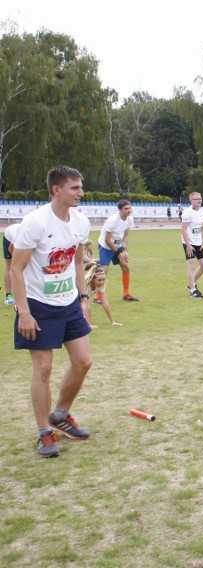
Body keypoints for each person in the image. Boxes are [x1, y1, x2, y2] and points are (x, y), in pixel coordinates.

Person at [9, 166, 93, 458]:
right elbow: (16, 270)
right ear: (56, 190)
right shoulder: (35, 222)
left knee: (83, 362)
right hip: (38, 304)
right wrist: (24, 312)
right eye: (75, 188)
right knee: (43, 369)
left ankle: (61, 415)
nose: (81, 193)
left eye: (80, 187)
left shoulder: (81, 222)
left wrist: (83, 298)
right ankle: (44, 431)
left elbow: (77, 262)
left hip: (69, 301)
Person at [97, 199, 138, 302]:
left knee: (126, 267)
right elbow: (107, 240)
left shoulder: (129, 219)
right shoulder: (113, 220)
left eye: (129, 208)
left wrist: (124, 249)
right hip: (106, 246)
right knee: (103, 272)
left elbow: (125, 236)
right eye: (126, 209)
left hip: (118, 245)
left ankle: (126, 294)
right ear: (120, 210)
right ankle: (97, 297)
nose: (129, 210)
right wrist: (118, 253)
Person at [180, 192, 203, 298]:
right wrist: (188, 245)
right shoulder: (187, 213)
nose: (199, 200)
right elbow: (184, 229)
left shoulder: (202, 211)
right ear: (191, 201)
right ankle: (192, 290)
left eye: (200, 198)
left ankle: (191, 283)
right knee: (191, 264)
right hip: (189, 242)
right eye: (196, 199)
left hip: (199, 242)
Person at [3, 222, 20, 305]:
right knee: (10, 265)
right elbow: (11, 248)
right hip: (9, 238)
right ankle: (8, 295)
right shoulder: (21, 233)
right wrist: (17, 261)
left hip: (23, 244)